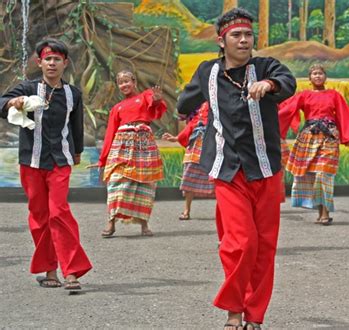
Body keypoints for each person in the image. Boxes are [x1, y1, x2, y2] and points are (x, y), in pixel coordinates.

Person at [176, 8, 296, 329]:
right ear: (222, 40)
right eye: (236, 36)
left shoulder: (265, 66)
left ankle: (254, 316)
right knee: (239, 242)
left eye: (248, 35)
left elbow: (288, 81)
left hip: (266, 168)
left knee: (264, 245)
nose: (244, 41)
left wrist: (269, 85)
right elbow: (183, 104)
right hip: (227, 170)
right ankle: (233, 310)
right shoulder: (207, 72)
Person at [0, 38, 92, 290]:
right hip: (31, 161)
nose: (52, 63)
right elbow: (1, 102)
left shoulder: (73, 93)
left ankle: (71, 271)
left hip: (60, 161)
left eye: (57, 59)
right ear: (39, 62)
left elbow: (76, 125)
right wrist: (11, 103)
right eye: (48, 59)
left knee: (59, 212)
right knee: (39, 217)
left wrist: (78, 152)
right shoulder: (26, 87)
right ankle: (51, 272)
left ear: (65, 63)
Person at [278, 64, 349, 225]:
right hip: (309, 137)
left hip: (329, 137)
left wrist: (348, 136)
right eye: (314, 74)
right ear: (309, 79)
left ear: (325, 76)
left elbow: (344, 114)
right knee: (313, 175)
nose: (318, 76)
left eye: (320, 73)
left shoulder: (334, 95)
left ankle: (325, 213)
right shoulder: (304, 95)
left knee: (324, 173)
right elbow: (286, 110)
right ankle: (320, 210)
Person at [88, 70, 167, 237]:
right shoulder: (117, 108)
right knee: (115, 182)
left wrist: (157, 100)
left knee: (145, 184)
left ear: (134, 82)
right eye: (120, 82)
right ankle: (111, 223)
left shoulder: (145, 96)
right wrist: (103, 160)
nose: (124, 85)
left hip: (143, 146)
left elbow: (155, 107)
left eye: (127, 81)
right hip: (122, 146)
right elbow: (110, 133)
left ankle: (144, 225)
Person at [162, 102, 215, 220]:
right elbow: (193, 123)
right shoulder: (200, 105)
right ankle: (187, 209)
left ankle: (223, 210)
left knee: (217, 176)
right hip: (197, 141)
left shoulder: (219, 99)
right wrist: (177, 138)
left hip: (213, 141)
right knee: (189, 172)